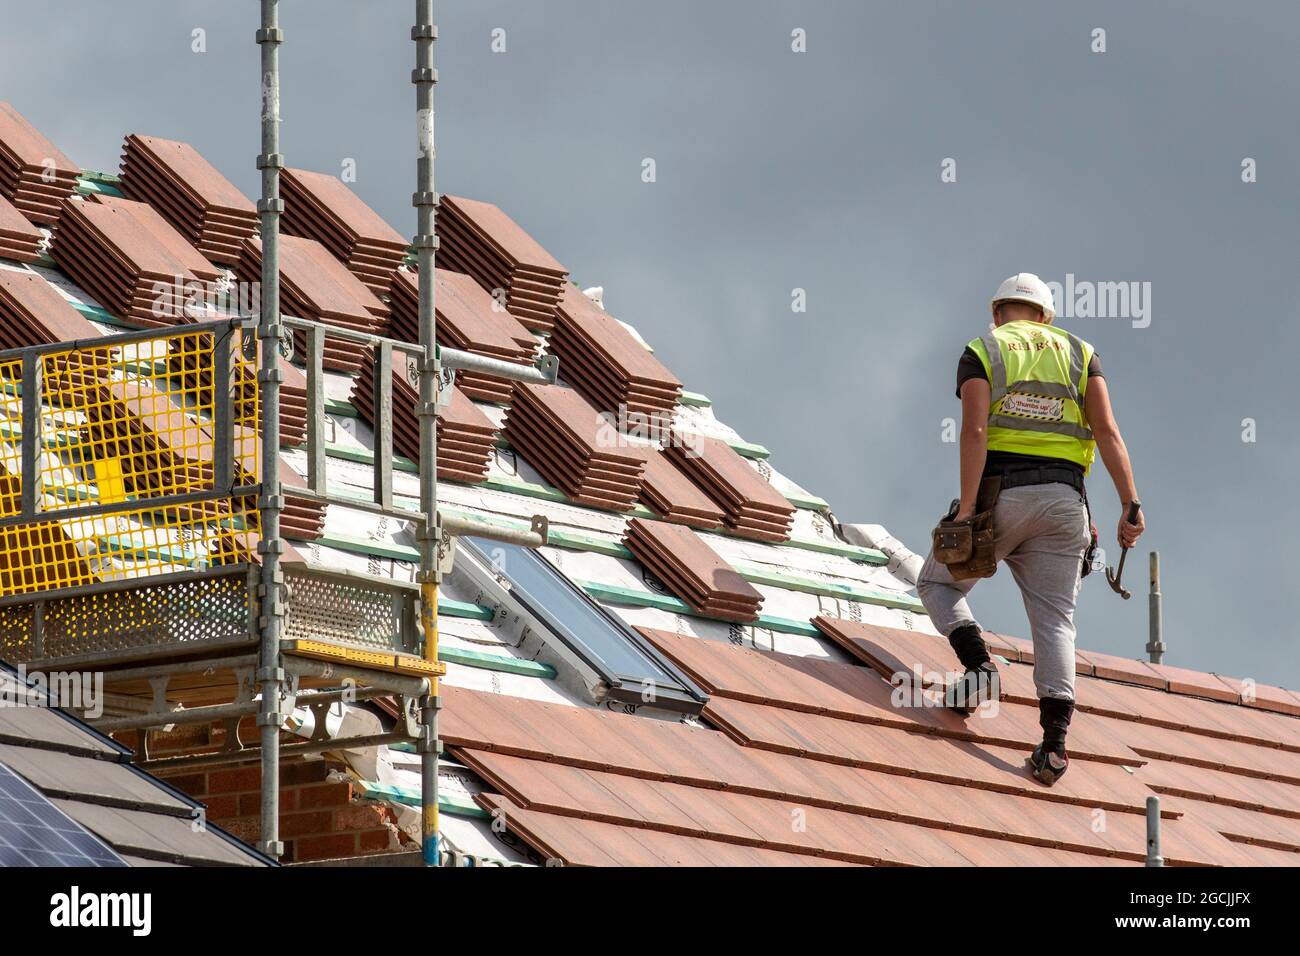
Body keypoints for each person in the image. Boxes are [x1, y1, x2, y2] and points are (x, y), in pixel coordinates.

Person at [917, 272, 1144, 785]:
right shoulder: (1081, 353)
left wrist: (967, 510)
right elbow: (1107, 431)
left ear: (998, 312)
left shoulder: (984, 349)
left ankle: (979, 667)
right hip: (1067, 506)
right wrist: (1130, 504)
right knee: (1056, 621)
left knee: (936, 581)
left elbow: (974, 429)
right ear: (1045, 316)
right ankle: (1055, 747)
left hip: (1002, 494)